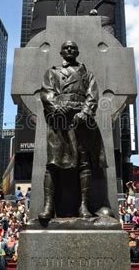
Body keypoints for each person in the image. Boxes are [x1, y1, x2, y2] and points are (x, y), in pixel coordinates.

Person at [38, 40, 107, 219]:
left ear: (77, 51)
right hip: (59, 122)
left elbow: (93, 96)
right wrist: (56, 106)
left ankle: (84, 206)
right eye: (66, 48)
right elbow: (46, 93)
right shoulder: (52, 72)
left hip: (81, 122)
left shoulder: (87, 74)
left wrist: (85, 113)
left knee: (84, 163)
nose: (69, 50)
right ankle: (48, 207)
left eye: (73, 48)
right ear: (61, 52)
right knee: (53, 164)